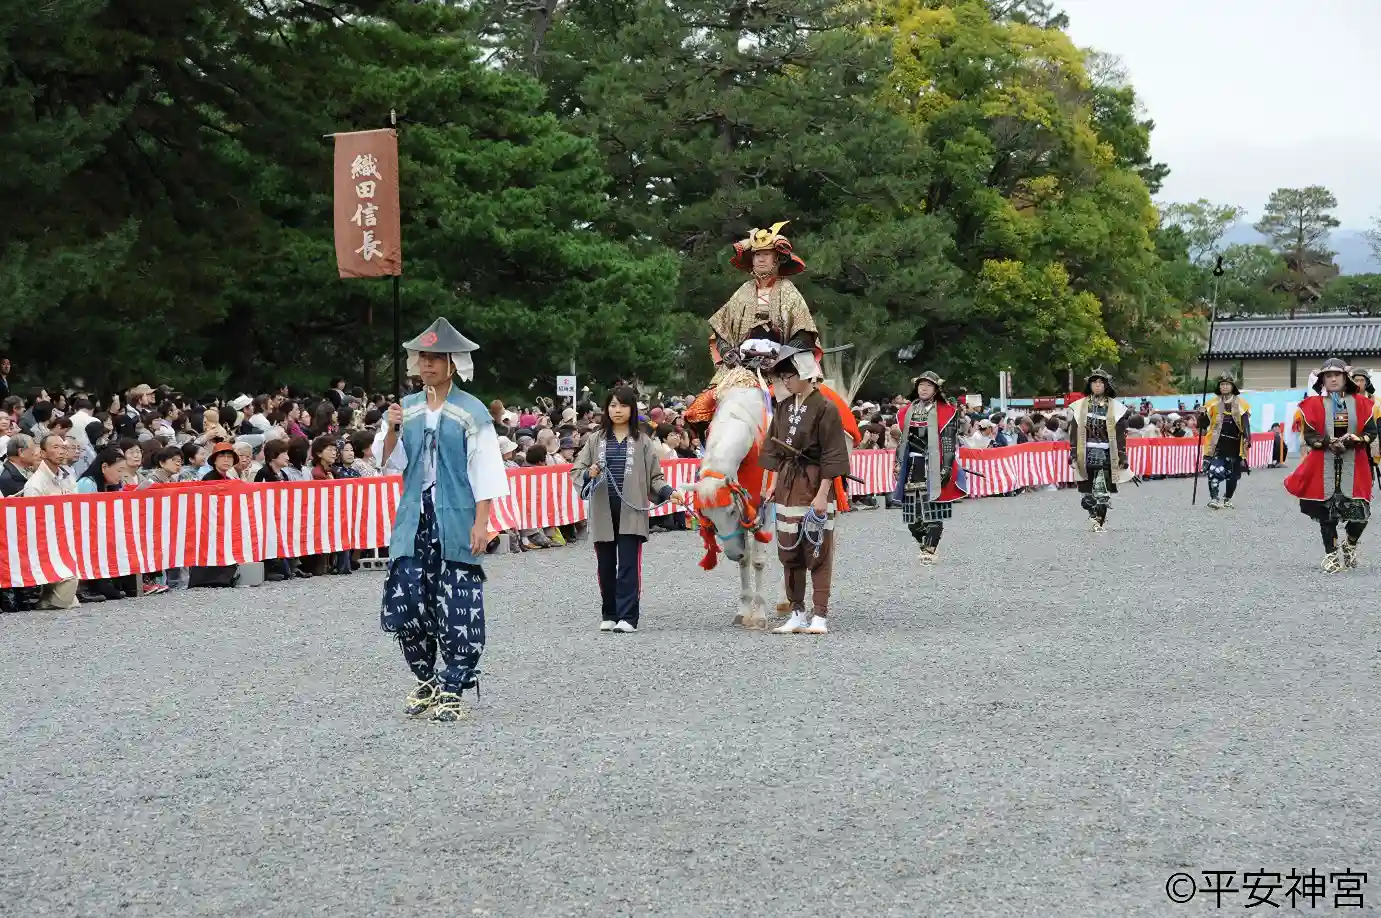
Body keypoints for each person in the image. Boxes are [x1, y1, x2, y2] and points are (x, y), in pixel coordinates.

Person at [375, 318, 509, 723]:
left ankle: (453, 684)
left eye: (436, 358)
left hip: (455, 516)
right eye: (423, 358)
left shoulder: (472, 411)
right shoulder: (407, 409)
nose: (428, 366)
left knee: (457, 602)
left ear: (453, 363)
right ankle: (426, 677)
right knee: (409, 600)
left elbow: (485, 468)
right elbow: (389, 462)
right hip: (414, 515)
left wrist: (482, 522)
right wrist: (393, 429)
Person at [570, 386, 683, 634]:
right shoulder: (594, 439)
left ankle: (628, 617)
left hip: (631, 511)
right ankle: (609, 613)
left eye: (622, 405)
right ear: (606, 409)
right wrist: (589, 473)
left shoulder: (643, 441)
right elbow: (576, 471)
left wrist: (668, 492)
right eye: (612, 405)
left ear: (631, 409)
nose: (617, 410)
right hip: (603, 510)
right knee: (606, 565)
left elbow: (655, 477)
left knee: (629, 565)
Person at [685, 221, 818, 428]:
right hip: (741, 368)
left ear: (777, 258)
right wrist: (727, 351)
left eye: (766, 253)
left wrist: (779, 356)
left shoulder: (789, 290)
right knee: (699, 411)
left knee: (803, 415)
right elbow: (721, 329)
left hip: (782, 370)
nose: (761, 258)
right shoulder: (743, 291)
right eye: (757, 254)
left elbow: (805, 334)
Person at [759, 344, 850, 635]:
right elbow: (773, 447)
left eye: (789, 374)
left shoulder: (826, 407)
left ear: (806, 373)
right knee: (789, 549)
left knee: (818, 548)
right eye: (782, 376)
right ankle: (797, 611)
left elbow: (833, 453)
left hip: (814, 482)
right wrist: (771, 483)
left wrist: (823, 494)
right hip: (787, 483)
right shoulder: (784, 406)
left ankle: (819, 614)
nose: (785, 381)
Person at [1284, 358, 1377, 573]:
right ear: (1322, 380)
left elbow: (1371, 434)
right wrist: (1327, 442)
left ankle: (1350, 543)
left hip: (1354, 464)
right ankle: (1331, 555)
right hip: (1323, 464)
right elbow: (1309, 436)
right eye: (1328, 375)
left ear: (1346, 378)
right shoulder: (1312, 405)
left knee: (1360, 515)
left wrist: (1355, 439)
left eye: (1337, 375)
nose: (1333, 379)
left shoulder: (1363, 404)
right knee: (1327, 514)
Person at [893, 372, 968, 565]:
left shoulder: (947, 411)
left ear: (936, 389)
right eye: (921, 385)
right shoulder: (907, 411)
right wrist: (898, 462)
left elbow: (949, 442)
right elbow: (903, 441)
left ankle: (930, 548)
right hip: (912, 465)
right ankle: (924, 542)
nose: (924, 388)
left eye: (928, 385)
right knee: (912, 519)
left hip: (936, 464)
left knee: (934, 510)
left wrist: (946, 467)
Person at [1067, 368, 1132, 533]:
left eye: (1100, 382)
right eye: (1094, 382)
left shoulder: (1117, 408)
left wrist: (1122, 455)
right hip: (1085, 452)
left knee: (1102, 491)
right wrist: (1073, 453)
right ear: (1089, 385)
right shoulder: (1079, 406)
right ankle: (1093, 514)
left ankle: (1099, 522)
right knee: (1087, 495)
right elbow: (1073, 432)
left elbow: (1120, 435)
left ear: (1106, 385)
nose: (1097, 385)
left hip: (1106, 453)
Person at [1197, 372, 1252, 510]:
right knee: (1214, 469)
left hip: (1235, 443)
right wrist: (1202, 415)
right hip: (1217, 443)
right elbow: (1202, 425)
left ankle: (1228, 498)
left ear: (1232, 386)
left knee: (1232, 475)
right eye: (1222, 384)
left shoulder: (1242, 404)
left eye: (1227, 384)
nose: (1225, 387)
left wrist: (1247, 438)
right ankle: (1214, 498)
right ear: (1219, 387)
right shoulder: (1211, 403)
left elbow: (1245, 424)